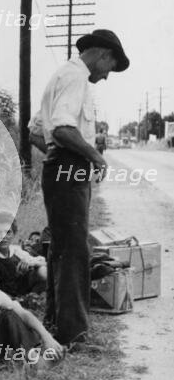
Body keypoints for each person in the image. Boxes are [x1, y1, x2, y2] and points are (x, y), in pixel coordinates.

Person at [39, 29, 129, 348]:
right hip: (70, 167)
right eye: (110, 67)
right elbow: (62, 128)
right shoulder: (76, 77)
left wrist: (54, 155)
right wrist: (94, 158)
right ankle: (74, 335)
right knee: (75, 249)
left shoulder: (62, 75)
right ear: (102, 55)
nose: (106, 76)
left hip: (60, 166)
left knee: (61, 248)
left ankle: (56, 321)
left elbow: (37, 131)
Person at [0, 211, 47, 299]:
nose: (3, 236)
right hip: (1, 297)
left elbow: (45, 263)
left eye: (8, 232)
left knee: (42, 270)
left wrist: (32, 263)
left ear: (13, 233)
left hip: (23, 293)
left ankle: (34, 300)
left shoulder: (15, 250)